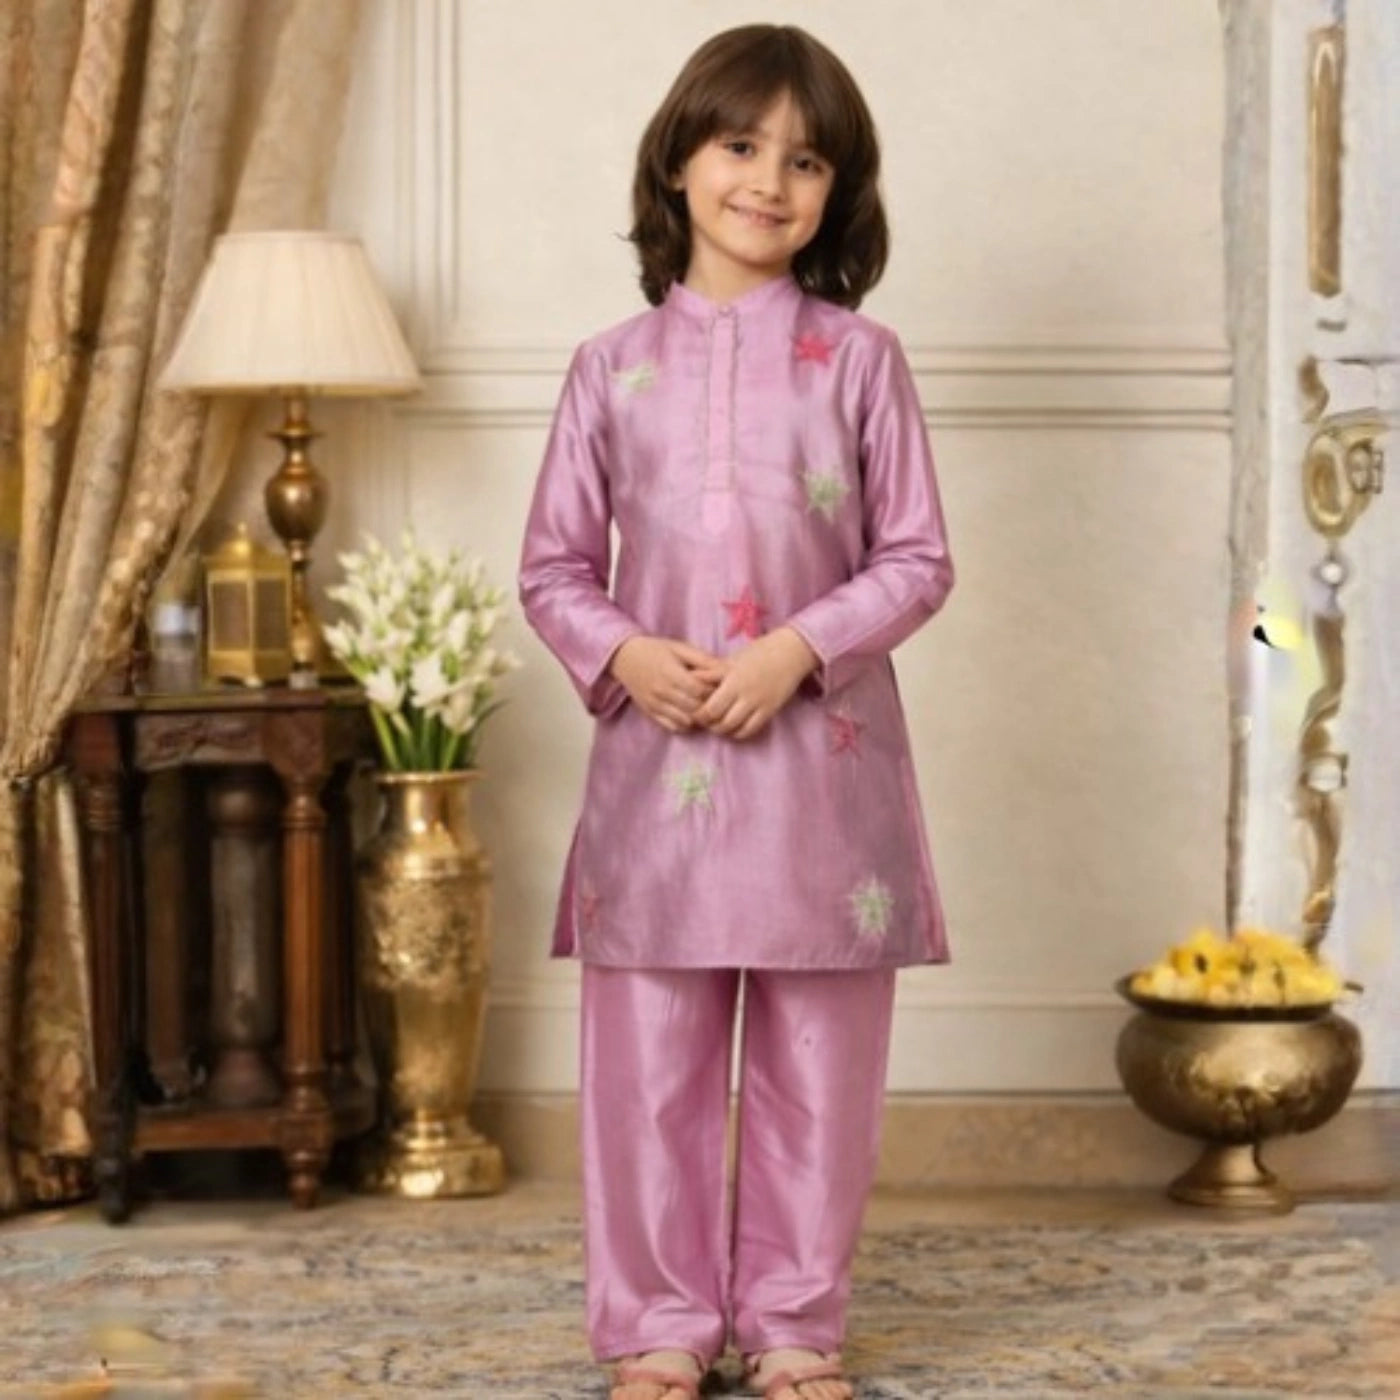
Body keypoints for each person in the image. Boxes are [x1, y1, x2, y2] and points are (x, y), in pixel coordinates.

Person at [518, 23, 953, 1400]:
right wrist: (626, 652)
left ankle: (792, 1326)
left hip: (822, 768)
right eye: (741, 144)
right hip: (658, 760)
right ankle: (655, 1322)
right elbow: (551, 568)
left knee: (820, 1064)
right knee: (647, 1059)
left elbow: (918, 560)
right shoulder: (607, 367)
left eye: (806, 158)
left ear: (840, 190)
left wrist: (799, 652)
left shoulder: (863, 359)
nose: (769, 180)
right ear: (679, 162)